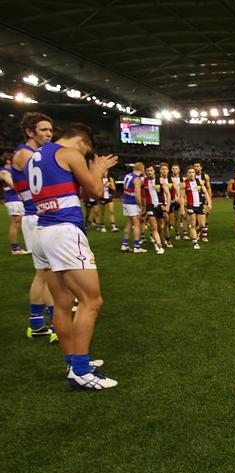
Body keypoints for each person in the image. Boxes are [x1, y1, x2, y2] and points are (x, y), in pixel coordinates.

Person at [27, 123, 119, 388]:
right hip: (64, 232)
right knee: (92, 301)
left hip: (42, 231)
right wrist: (98, 170)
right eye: (87, 151)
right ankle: (80, 371)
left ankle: (73, 362)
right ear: (81, 141)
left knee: (62, 302)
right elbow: (96, 192)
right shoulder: (70, 153)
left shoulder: (39, 155)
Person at [12, 112, 57, 342]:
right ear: (30, 132)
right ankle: (57, 325)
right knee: (49, 275)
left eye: (50, 130)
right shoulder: (26, 155)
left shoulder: (31, 153)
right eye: (43, 130)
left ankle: (37, 324)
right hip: (36, 217)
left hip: (36, 216)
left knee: (42, 274)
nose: (49, 134)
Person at [1, 152, 28, 254]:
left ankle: (24, 244)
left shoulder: (13, 171)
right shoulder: (4, 172)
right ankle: (15, 248)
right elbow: (13, 185)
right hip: (13, 200)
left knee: (21, 223)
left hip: (18, 199)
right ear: (8, 160)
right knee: (15, 223)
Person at [180, 166, 211, 250]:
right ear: (187, 174)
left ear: (195, 173)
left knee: (202, 224)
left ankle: (194, 233)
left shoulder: (200, 182)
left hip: (200, 205)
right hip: (190, 206)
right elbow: (182, 197)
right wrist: (182, 209)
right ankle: (195, 242)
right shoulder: (183, 184)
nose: (191, 174)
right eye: (189, 172)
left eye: (193, 172)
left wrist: (209, 203)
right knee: (193, 224)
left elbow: (205, 193)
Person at [142, 163, 170, 255]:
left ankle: (155, 236)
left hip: (160, 206)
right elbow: (144, 196)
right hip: (150, 206)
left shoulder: (161, 181)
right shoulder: (143, 181)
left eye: (151, 170)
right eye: (147, 171)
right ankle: (159, 246)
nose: (149, 172)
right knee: (154, 226)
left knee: (160, 226)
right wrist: (144, 208)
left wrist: (168, 206)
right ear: (145, 172)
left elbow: (168, 194)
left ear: (154, 171)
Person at [121, 162, 145, 253]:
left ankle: (125, 244)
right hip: (132, 203)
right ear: (142, 168)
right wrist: (141, 206)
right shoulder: (137, 179)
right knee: (137, 224)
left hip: (125, 201)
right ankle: (136, 246)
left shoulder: (128, 175)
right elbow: (137, 195)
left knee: (129, 223)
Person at [194, 162, 211, 242]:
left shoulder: (205, 176)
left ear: (201, 167)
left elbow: (208, 188)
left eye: (197, 166)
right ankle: (196, 233)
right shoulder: (191, 176)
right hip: (194, 199)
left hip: (203, 199)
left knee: (204, 217)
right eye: (195, 166)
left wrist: (209, 201)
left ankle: (204, 235)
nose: (196, 168)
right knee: (196, 219)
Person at [158, 162, 174, 247]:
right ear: (160, 170)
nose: (164, 171)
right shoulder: (157, 180)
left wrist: (178, 197)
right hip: (160, 204)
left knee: (168, 223)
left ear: (168, 170)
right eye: (162, 169)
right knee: (162, 223)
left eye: (166, 169)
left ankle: (166, 238)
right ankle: (162, 238)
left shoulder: (171, 180)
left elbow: (175, 189)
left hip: (169, 203)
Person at [169, 163, 184, 239]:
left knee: (184, 216)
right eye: (173, 168)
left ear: (179, 170)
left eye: (176, 168)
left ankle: (185, 233)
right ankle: (177, 233)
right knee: (175, 218)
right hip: (173, 200)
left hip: (181, 200)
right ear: (171, 170)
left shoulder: (182, 179)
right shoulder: (169, 179)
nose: (175, 170)